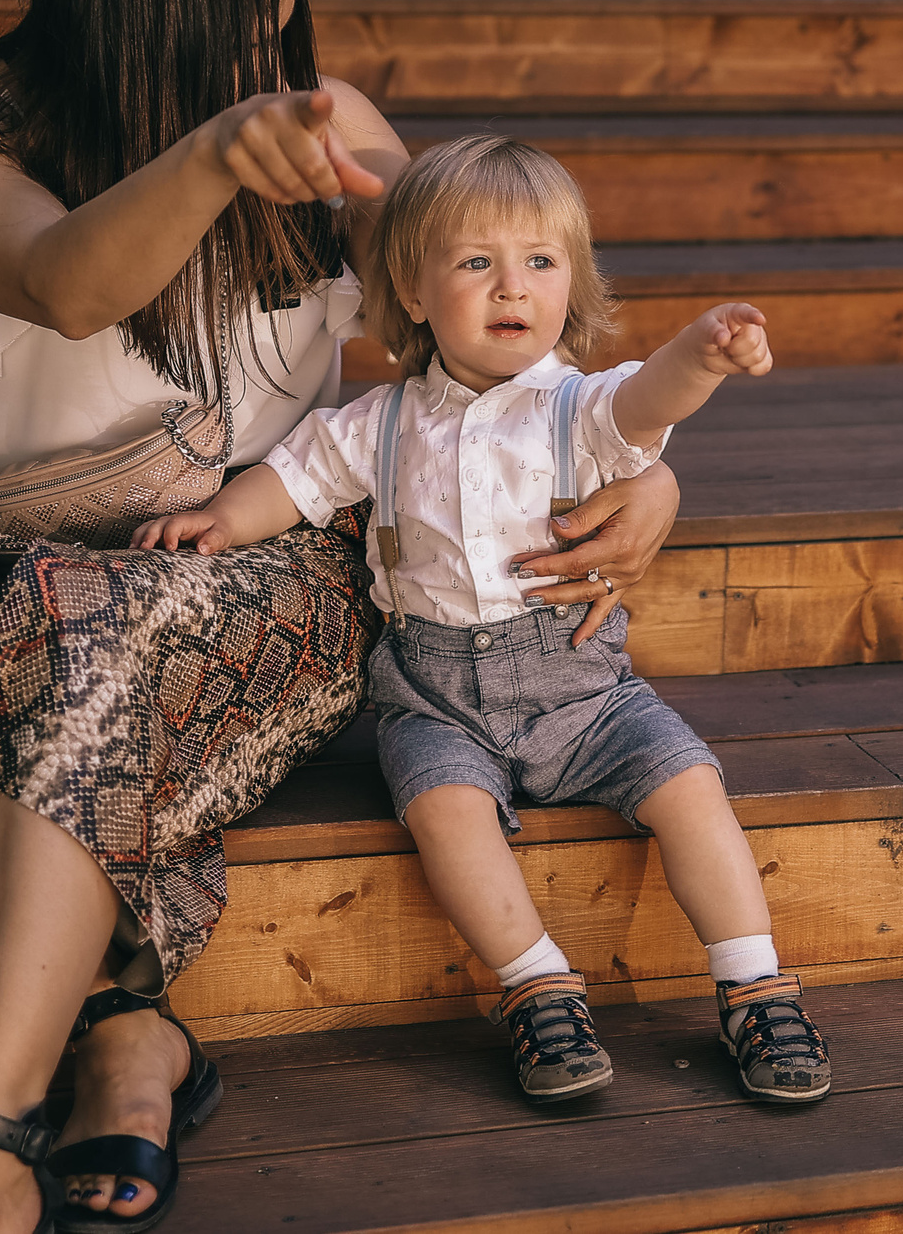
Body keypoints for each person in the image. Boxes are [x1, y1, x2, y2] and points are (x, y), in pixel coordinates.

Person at [0, 0, 686, 1234]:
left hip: (267, 561)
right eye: (234, 30)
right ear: (129, 21)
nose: (268, 58)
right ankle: (120, 1017)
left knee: (107, 610)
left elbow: (480, 302)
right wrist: (216, 154)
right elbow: (65, 282)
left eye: (279, 20)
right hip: (23, 549)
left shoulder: (323, 117)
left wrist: (650, 469)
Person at [129, 135, 832, 1107]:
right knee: (444, 815)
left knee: (690, 789)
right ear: (413, 293)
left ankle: (753, 980)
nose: (513, 288)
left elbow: (646, 400)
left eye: (539, 263)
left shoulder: (573, 409)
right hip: (432, 695)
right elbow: (290, 483)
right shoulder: (376, 424)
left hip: (584, 691)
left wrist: (701, 350)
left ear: (570, 285)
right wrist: (219, 518)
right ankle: (536, 981)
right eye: (476, 263)